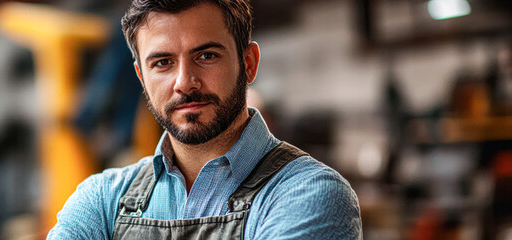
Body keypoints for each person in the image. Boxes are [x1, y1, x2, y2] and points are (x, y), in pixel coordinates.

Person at [47, 0, 362, 239]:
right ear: (141, 77)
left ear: (248, 63)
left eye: (206, 56)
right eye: (163, 62)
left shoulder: (308, 194)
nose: (184, 81)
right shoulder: (102, 200)